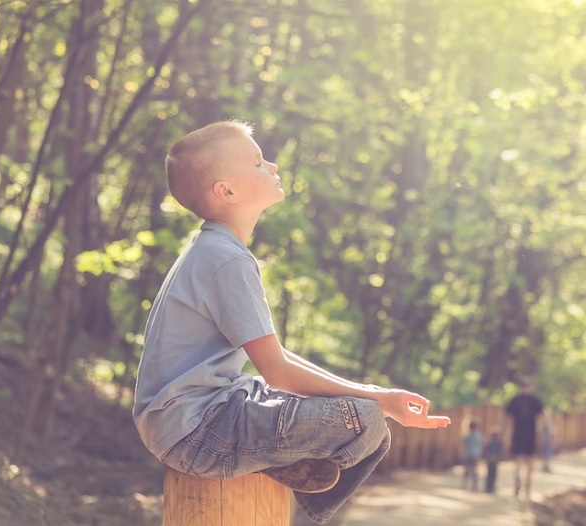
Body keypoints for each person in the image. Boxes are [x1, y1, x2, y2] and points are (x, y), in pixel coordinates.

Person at [132, 120, 450, 525]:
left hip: (206, 415)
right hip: (197, 431)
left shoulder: (216, 248)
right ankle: (308, 511)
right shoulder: (225, 259)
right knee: (364, 420)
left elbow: (275, 357)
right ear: (226, 191)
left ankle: (283, 470)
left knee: (366, 411)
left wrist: (373, 390)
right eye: (257, 162)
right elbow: (278, 372)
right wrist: (377, 401)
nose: (273, 166)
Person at [506, 378, 544, 499]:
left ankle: (527, 487)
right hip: (518, 435)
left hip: (531, 436)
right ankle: (517, 486)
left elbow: (540, 418)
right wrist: (507, 436)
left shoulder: (535, 401)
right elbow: (509, 420)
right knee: (517, 462)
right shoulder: (515, 401)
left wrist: (540, 434)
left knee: (530, 463)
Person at [462, 421, 483, 490]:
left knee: (468, 470)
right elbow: (480, 445)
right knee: (474, 471)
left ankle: (466, 485)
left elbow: (464, 444)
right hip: (475, 455)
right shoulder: (478, 436)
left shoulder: (467, 436)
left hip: (469, 454)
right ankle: (474, 486)